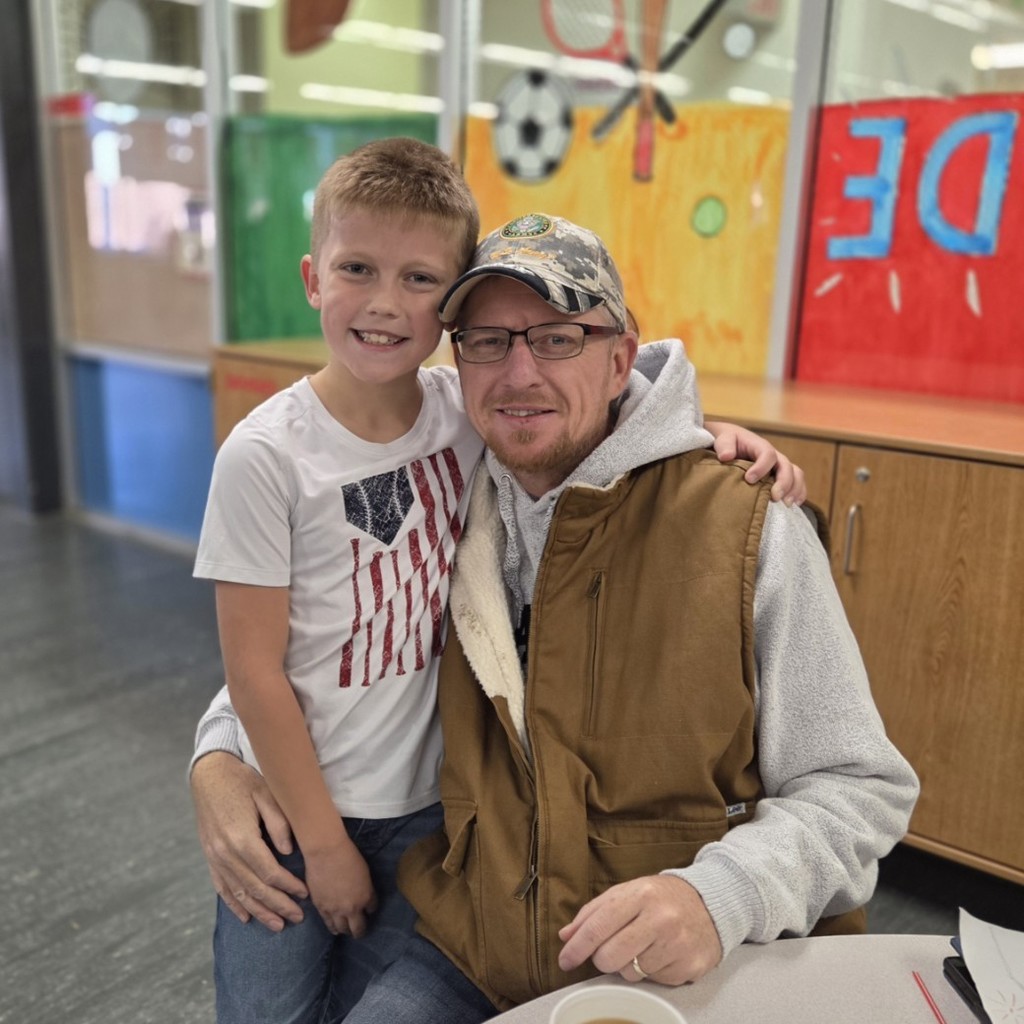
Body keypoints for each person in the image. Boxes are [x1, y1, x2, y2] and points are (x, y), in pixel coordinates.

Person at [193, 142, 804, 1024]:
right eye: (490, 343)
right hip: (330, 831)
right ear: (314, 278)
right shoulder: (327, 448)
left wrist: (704, 438)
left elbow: (609, 419)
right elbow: (261, 661)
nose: (520, 374)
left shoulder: (465, 421)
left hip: (444, 831)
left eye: (559, 339)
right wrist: (217, 761)